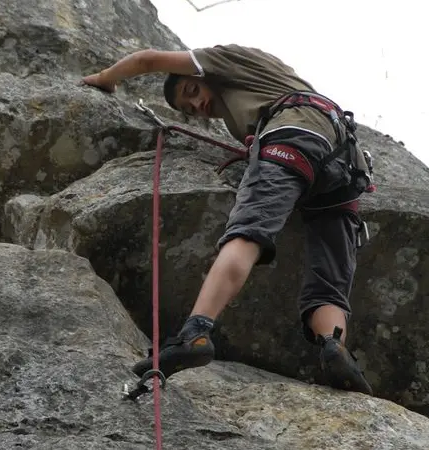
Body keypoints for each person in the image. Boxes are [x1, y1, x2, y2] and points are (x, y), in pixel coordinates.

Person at [81, 44, 373, 395]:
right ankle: (334, 346)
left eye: (192, 91)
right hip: (345, 163)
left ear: (201, 74)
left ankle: (195, 333)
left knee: (247, 234)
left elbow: (148, 59)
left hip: (294, 135)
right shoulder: (260, 89)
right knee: (330, 271)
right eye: (190, 109)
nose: (197, 106)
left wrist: (104, 78)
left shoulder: (224, 60)